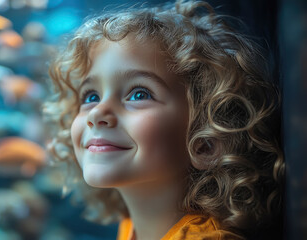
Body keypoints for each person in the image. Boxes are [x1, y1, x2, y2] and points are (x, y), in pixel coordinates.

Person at [42, 0, 285, 239]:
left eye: (139, 94)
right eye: (91, 96)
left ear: (206, 139)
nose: (96, 113)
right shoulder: (131, 225)